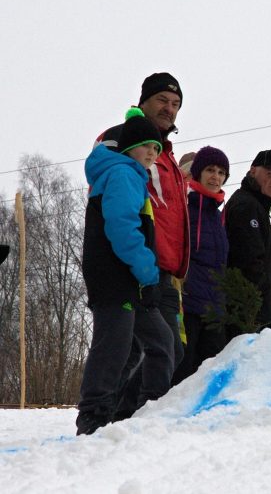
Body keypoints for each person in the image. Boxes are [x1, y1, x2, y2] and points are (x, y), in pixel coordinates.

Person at [77, 109, 175, 435]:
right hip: (115, 275)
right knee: (113, 346)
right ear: (129, 147)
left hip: (131, 277)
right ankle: (93, 415)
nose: (152, 153)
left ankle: (153, 410)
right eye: (146, 146)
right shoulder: (122, 173)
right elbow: (122, 228)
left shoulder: (134, 176)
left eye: (157, 149)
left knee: (162, 342)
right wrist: (147, 270)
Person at [99, 74, 188, 420]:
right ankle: (113, 417)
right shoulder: (119, 138)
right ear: (144, 101)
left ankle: (124, 418)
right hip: (133, 263)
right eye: (162, 100)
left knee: (165, 349)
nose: (169, 108)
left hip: (165, 270)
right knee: (141, 349)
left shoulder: (165, 154)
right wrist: (136, 256)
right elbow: (107, 181)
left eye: (175, 104)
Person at [171, 146, 230, 385]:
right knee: (183, 372)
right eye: (210, 170)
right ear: (198, 173)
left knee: (208, 374)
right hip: (189, 302)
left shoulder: (216, 214)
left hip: (214, 307)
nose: (215, 177)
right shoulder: (186, 206)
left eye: (220, 172)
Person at [224, 149, 271, 330]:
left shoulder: (256, 206)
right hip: (244, 309)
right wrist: (257, 302)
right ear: (253, 171)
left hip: (253, 307)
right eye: (270, 173)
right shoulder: (246, 205)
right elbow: (249, 261)